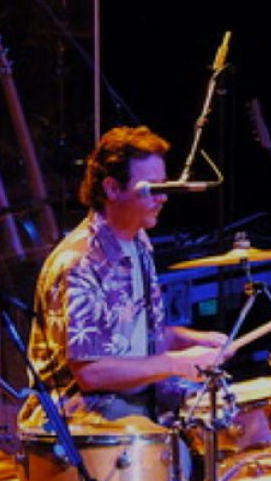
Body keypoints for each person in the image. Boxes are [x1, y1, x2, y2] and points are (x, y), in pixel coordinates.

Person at [18, 125, 227, 429]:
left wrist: (197, 341)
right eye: (152, 189)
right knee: (165, 445)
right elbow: (92, 373)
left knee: (222, 409)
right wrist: (176, 363)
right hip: (76, 414)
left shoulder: (139, 242)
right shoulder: (81, 263)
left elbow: (138, 338)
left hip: (129, 398)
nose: (163, 198)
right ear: (113, 189)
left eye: (164, 187)